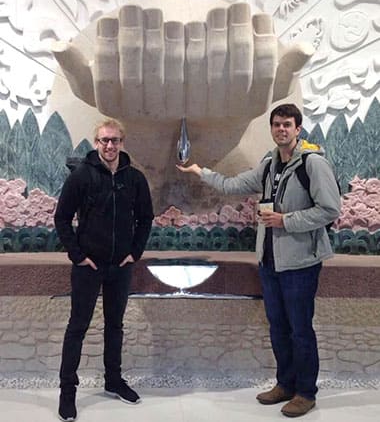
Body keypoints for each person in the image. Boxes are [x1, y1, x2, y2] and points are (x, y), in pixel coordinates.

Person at [177, 103, 341, 418]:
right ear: (272, 128)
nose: (281, 129)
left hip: (301, 263)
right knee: (278, 327)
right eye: (276, 124)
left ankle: (306, 393)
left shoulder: (313, 164)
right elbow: (233, 185)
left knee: (300, 329)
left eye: (287, 125)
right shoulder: (269, 164)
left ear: (298, 128)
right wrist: (200, 171)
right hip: (270, 262)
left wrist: (286, 220)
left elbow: (330, 209)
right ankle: (285, 384)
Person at [54, 119, 154, 421]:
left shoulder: (135, 179)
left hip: (119, 267)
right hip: (89, 266)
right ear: (96, 143)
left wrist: (134, 253)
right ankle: (67, 392)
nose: (109, 146)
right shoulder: (81, 176)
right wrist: (78, 255)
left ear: (122, 143)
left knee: (115, 326)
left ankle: (114, 380)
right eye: (103, 141)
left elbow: (146, 218)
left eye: (114, 140)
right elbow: (62, 218)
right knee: (77, 327)